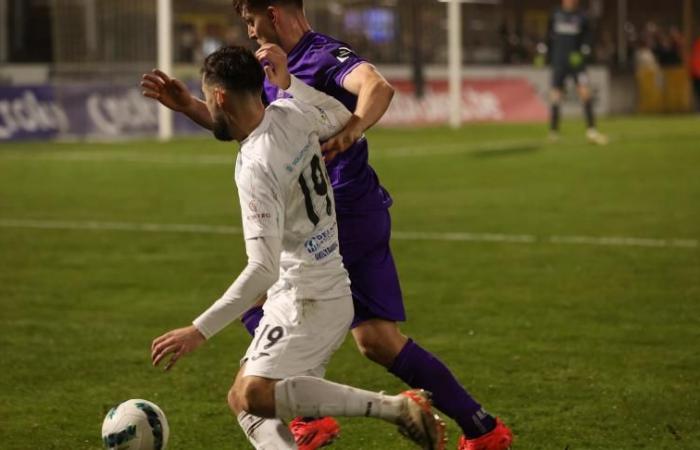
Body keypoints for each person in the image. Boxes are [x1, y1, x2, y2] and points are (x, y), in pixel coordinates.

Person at [142, 2, 513, 449]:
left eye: (252, 20)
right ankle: (477, 427)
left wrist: (352, 129)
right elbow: (246, 124)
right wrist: (192, 108)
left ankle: (311, 413)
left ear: (275, 14)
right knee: (369, 339)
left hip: (346, 213)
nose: (251, 31)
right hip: (317, 215)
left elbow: (376, 87)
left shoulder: (319, 56)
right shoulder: (275, 72)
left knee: (271, 311)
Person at [546, 0, 608, 145]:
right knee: (555, 95)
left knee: (585, 93)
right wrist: (548, 54)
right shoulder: (555, 14)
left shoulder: (582, 16)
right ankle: (553, 131)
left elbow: (588, 38)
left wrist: (583, 53)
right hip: (559, 62)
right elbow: (549, 36)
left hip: (577, 63)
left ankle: (591, 130)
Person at [691, 35, 700, 112]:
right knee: (696, 92)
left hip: (696, 73)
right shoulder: (695, 45)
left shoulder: (696, 45)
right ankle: (697, 109)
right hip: (695, 73)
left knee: (697, 92)